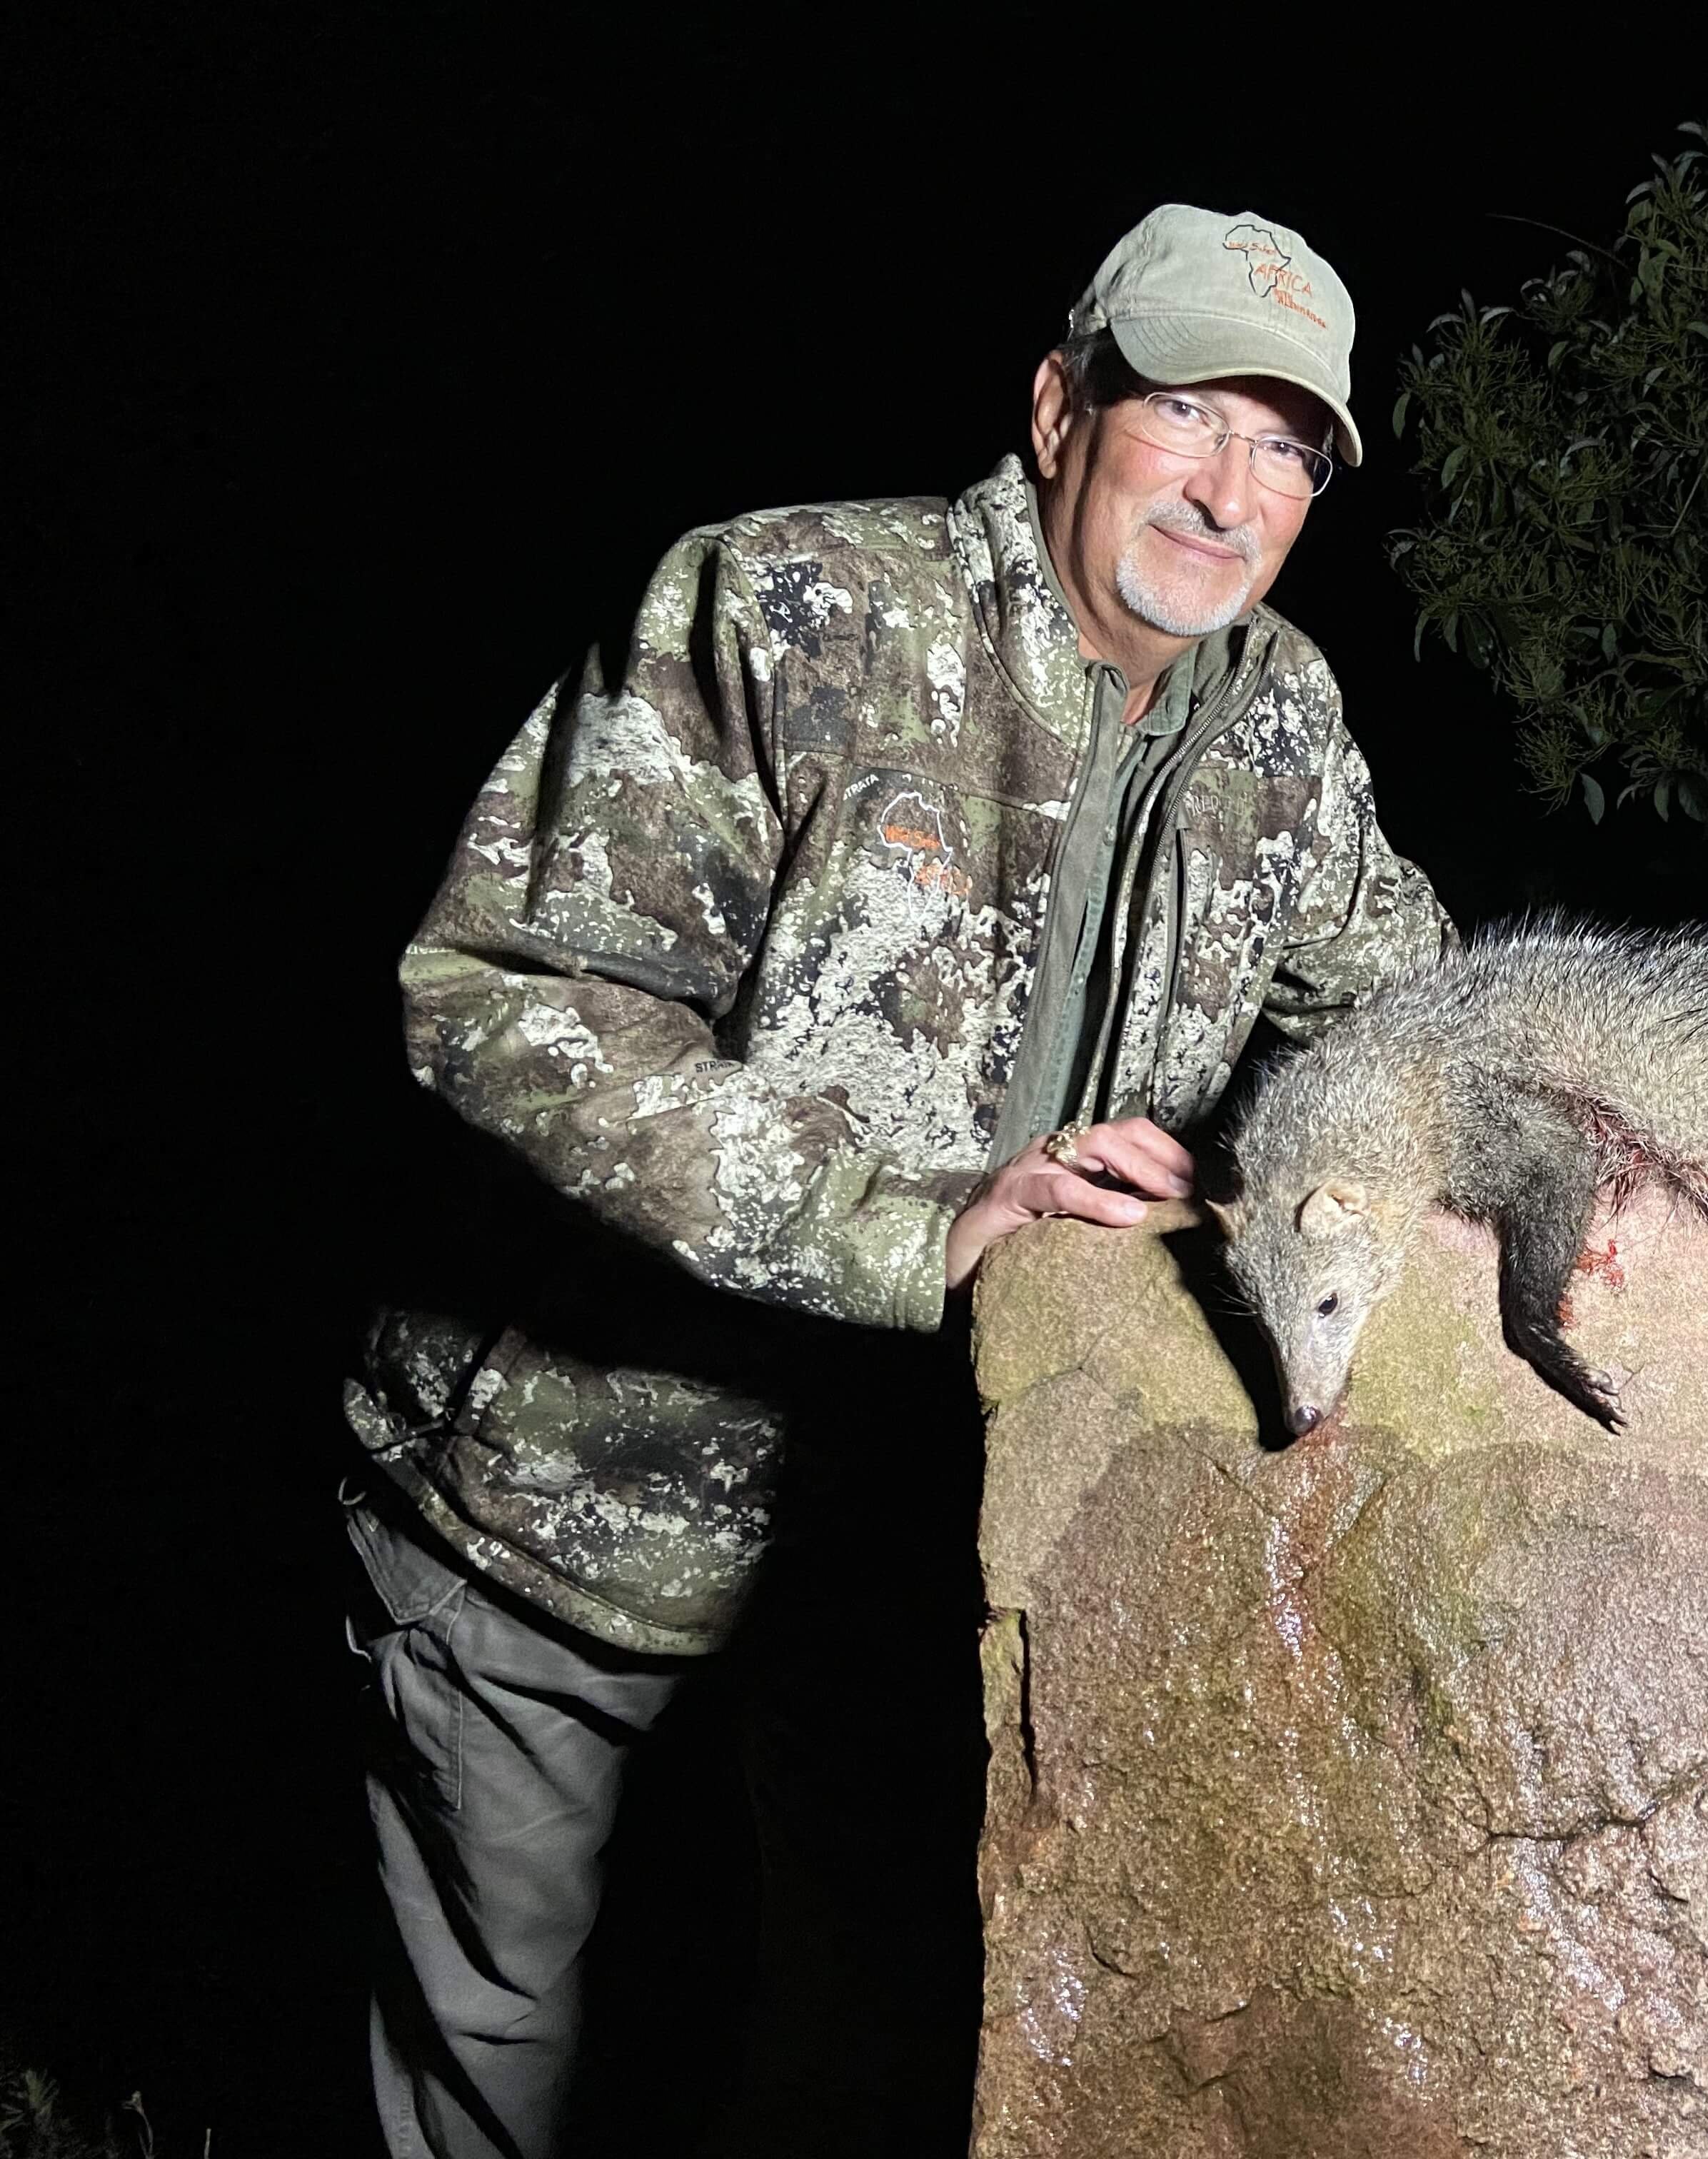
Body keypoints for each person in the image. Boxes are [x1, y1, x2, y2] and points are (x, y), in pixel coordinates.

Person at [338, 202, 1452, 2159]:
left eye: (1288, 447)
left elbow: (1416, 1019)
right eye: (1187, 412)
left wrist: (1542, 1152)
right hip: (565, 1495)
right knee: (498, 2042)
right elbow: (505, 999)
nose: (1229, 489)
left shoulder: (1286, 725)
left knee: (877, 2043)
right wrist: (914, 1228)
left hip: (914, 1547)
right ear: (1057, 409)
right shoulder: (789, 607)